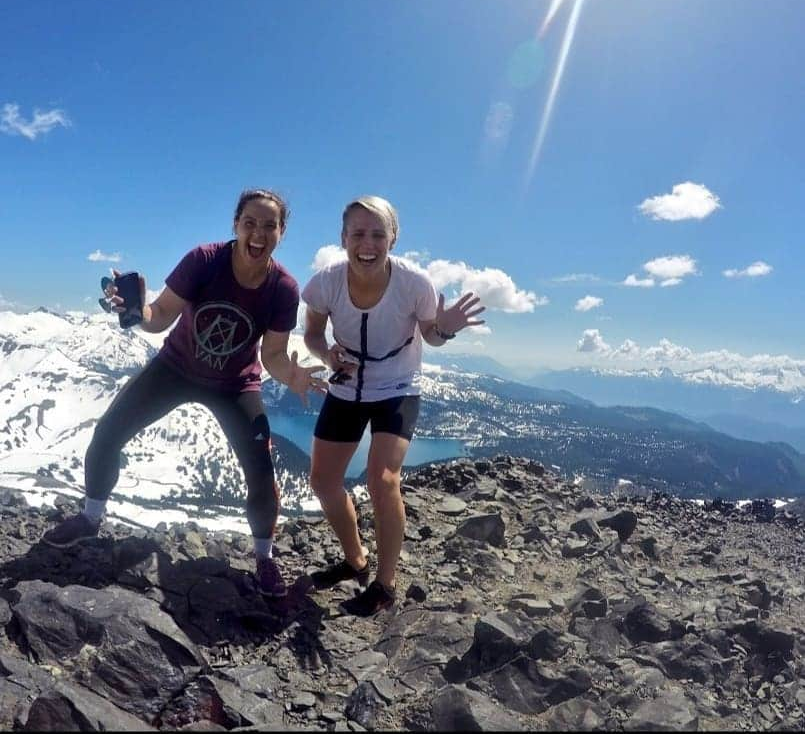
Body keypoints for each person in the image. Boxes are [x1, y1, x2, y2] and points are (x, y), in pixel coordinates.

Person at [42, 188, 326, 599]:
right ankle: (89, 519)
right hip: (175, 368)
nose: (258, 233)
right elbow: (159, 319)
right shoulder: (205, 260)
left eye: (269, 225)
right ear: (236, 225)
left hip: (234, 385)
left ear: (282, 232)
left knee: (260, 472)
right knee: (108, 434)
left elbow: (274, 354)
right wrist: (137, 312)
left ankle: (264, 558)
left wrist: (293, 376)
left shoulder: (282, 287)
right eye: (250, 223)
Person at [302, 196, 485, 616]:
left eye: (378, 234)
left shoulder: (415, 283)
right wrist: (327, 355)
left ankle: (385, 584)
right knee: (323, 481)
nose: (367, 243)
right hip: (346, 385)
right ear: (343, 238)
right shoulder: (325, 282)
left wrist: (446, 328)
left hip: (398, 386)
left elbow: (431, 336)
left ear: (394, 239)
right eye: (358, 233)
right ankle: (355, 560)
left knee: (382, 478)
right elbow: (312, 333)